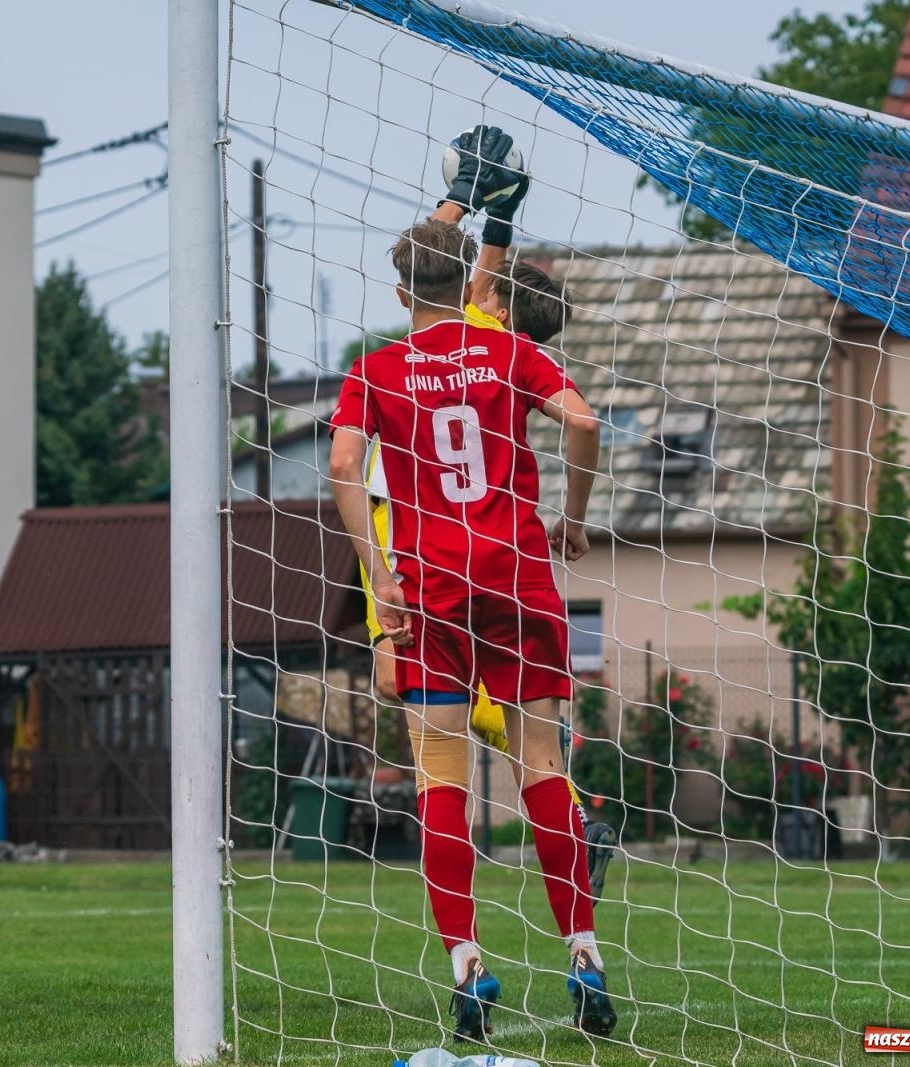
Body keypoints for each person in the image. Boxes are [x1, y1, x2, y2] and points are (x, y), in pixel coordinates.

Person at [329, 175, 615, 1040]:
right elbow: (584, 423)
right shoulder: (507, 350)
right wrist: (574, 518)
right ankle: (585, 958)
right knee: (543, 767)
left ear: (400, 293)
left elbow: (342, 467)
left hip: (431, 587)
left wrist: (380, 576)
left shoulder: (376, 369)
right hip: (518, 577)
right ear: (470, 285)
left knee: (442, 779)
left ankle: (468, 967)